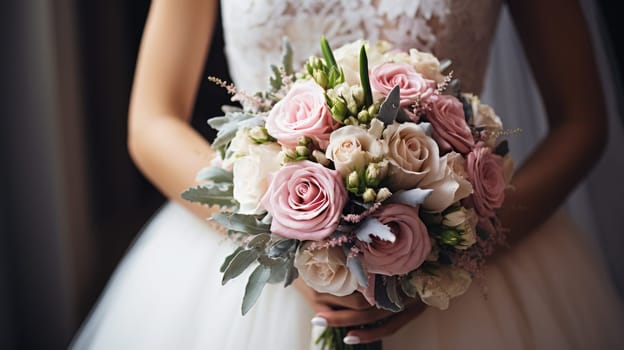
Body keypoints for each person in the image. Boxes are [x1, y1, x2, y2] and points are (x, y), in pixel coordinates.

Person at [71, 0, 624, 349]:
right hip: (255, 251)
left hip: (471, 262)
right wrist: (285, 238)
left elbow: (581, 121)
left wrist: (450, 251)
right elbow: (151, 121)